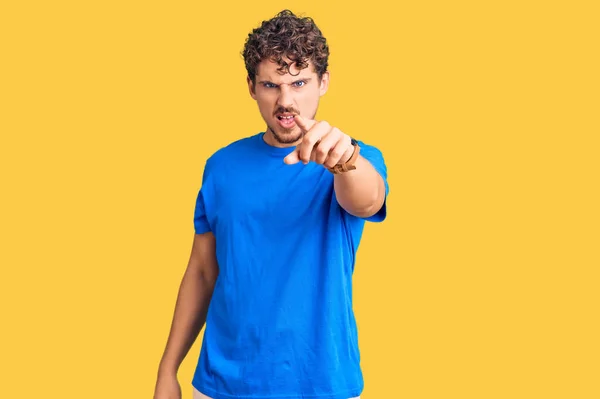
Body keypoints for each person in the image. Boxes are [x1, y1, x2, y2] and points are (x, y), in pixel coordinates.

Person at [153, 9, 389, 399]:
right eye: (271, 85)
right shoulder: (221, 166)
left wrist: (345, 161)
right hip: (220, 385)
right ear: (251, 86)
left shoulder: (353, 158)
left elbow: (366, 201)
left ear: (323, 82)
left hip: (321, 384)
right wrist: (167, 370)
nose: (286, 101)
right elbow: (201, 272)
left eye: (299, 83)